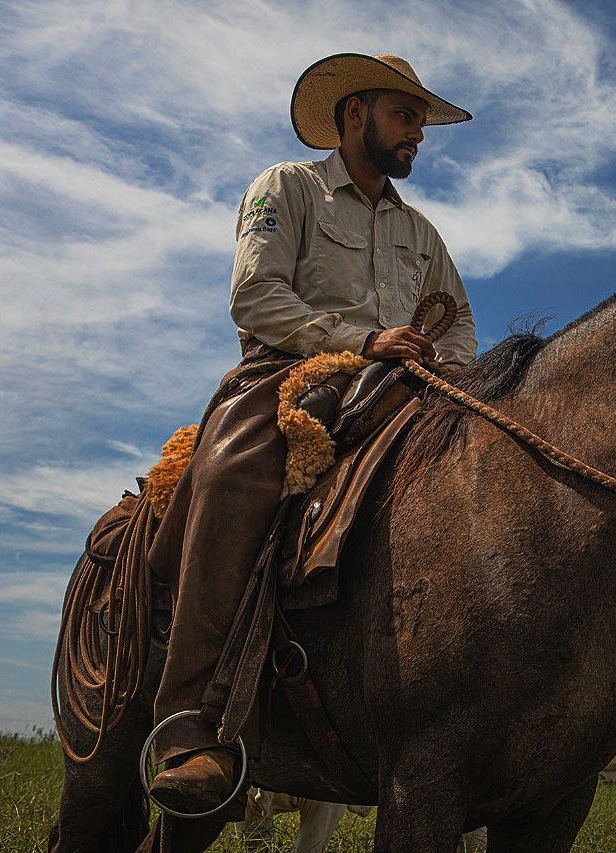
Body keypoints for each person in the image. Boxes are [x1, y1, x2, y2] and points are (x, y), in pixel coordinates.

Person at [147, 52, 478, 814]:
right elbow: (254, 293)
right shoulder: (285, 188)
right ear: (354, 112)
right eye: (406, 114)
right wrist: (358, 343)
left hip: (406, 389)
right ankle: (193, 725)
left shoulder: (422, 232)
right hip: (289, 375)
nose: (418, 132)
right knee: (234, 468)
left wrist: (453, 381)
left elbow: (457, 322)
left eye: (422, 120)